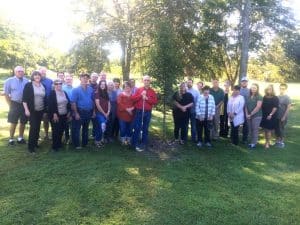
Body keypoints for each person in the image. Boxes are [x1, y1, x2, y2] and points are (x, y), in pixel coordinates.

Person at [131, 75, 158, 152]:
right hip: (139, 111)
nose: (146, 82)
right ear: (143, 81)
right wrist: (140, 95)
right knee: (137, 127)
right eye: (145, 80)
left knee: (145, 128)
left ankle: (143, 143)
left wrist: (147, 98)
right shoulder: (139, 90)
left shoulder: (152, 91)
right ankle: (135, 143)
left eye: (148, 80)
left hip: (147, 112)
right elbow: (133, 99)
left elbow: (155, 102)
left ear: (150, 82)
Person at [22, 71, 47, 153]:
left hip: (40, 110)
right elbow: (24, 99)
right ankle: (30, 147)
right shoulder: (28, 85)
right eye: (35, 75)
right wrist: (26, 110)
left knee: (38, 127)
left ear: (41, 76)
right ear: (32, 76)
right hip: (32, 111)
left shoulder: (43, 86)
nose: (37, 76)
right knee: (33, 128)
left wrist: (45, 110)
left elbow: (44, 98)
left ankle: (35, 143)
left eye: (38, 75)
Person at [4, 66, 29, 146]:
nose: (21, 73)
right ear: (15, 72)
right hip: (14, 103)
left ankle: (20, 138)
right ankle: (11, 139)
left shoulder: (26, 81)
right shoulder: (9, 81)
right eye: (19, 71)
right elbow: (7, 94)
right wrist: (10, 105)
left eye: (22, 71)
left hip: (24, 104)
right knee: (13, 122)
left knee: (23, 122)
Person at [71, 73, 94, 149]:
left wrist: (93, 111)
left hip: (89, 112)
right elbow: (73, 102)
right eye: (83, 78)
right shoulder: (75, 89)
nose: (85, 79)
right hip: (80, 112)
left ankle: (85, 143)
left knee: (85, 128)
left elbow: (93, 100)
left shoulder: (91, 89)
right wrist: (76, 113)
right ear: (80, 79)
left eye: (86, 78)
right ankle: (76, 144)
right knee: (76, 129)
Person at [48, 79, 71, 151]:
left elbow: (68, 103)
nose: (58, 85)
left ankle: (59, 143)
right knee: (56, 130)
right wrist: (54, 114)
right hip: (56, 115)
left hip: (64, 115)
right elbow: (51, 105)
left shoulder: (64, 92)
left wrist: (69, 112)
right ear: (54, 85)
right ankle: (55, 147)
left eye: (60, 84)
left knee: (61, 130)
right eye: (56, 84)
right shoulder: (52, 93)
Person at [260, 84, 279, 149]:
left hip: (271, 115)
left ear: (272, 90)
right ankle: (266, 141)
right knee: (265, 129)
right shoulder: (264, 97)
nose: (269, 90)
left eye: (270, 89)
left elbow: (275, 107)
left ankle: (268, 143)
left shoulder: (275, 98)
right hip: (264, 115)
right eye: (268, 89)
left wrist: (270, 114)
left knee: (269, 130)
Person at [245, 83, 263, 149]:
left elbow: (258, 107)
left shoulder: (259, 96)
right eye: (252, 87)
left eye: (255, 88)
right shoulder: (248, 96)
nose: (253, 89)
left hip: (257, 116)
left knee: (255, 129)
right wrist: (246, 114)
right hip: (249, 116)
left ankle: (254, 143)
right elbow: (245, 106)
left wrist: (250, 114)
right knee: (250, 129)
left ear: (257, 89)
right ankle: (251, 142)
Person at [275, 83, 292, 148]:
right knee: (277, 129)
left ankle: (282, 142)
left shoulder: (287, 98)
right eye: (280, 88)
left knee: (281, 129)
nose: (281, 90)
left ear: (286, 89)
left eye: (283, 89)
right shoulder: (277, 96)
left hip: (283, 116)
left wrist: (284, 116)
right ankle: (277, 141)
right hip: (276, 116)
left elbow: (288, 108)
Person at [94, 80, 111, 147]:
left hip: (106, 113)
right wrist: (104, 114)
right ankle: (97, 140)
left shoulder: (106, 93)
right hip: (99, 113)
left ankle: (99, 140)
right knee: (102, 126)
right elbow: (98, 105)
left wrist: (108, 111)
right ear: (99, 85)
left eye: (104, 84)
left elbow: (109, 103)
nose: (103, 85)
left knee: (100, 127)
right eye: (101, 84)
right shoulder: (97, 93)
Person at [39, 67, 53, 140]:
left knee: (46, 119)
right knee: (36, 120)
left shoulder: (50, 81)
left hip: (47, 103)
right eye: (41, 72)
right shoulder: (36, 80)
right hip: (37, 103)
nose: (43, 73)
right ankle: (37, 135)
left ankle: (46, 134)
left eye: (44, 72)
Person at [186, 78, 200, 142]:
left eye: (190, 82)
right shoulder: (184, 90)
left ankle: (193, 138)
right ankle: (184, 137)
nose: (189, 83)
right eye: (188, 82)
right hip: (185, 111)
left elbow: (198, 101)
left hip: (193, 111)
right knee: (185, 124)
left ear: (192, 83)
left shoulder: (196, 92)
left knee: (193, 125)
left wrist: (197, 110)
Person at [62, 73, 73, 143]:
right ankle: (66, 137)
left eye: (70, 79)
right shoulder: (62, 88)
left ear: (72, 80)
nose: (68, 81)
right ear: (65, 80)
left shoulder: (74, 89)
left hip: (72, 108)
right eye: (67, 79)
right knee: (65, 123)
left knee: (72, 123)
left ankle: (72, 138)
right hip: (64, 107)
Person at [240, 76, 250, 144]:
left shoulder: (250, 91)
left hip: (247, 109)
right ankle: (234, 137)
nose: (244, 83)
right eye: (243, 81)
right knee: (236, 123)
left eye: (245, 81)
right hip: (238, 110)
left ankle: (244, 139)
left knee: (246, 125)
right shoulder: (238, 90)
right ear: (241, 82)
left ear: (247, 83)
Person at [89, 72, 99, 139]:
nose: (94, 78)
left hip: (96, 107)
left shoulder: (99, 86)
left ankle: (94, 135)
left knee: (95, 122)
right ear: (91, 77)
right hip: (87, 106)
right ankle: (85, 136)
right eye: (93, 76)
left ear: (97, 78)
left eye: (96, 77)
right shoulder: (87, 85)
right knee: (86, 123)